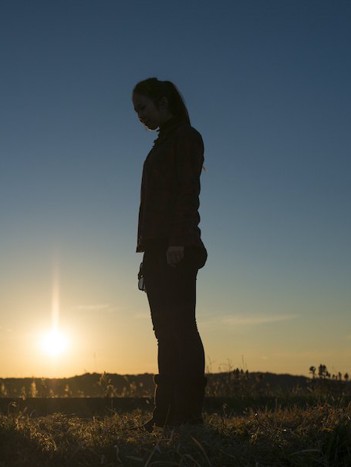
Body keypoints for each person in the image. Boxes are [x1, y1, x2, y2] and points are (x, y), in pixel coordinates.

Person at [132, 77, 208, 430]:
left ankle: (188, 413)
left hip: (176, 248)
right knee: (164, 332)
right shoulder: (161, 144)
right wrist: (147, 255)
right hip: (157, 250)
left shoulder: (186, 138)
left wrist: (177, 241)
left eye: (143, 108)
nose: (140, 117)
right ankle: (164, 414)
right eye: (137, 112)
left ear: (163, 103)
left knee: (181, 330)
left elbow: (186, 193)